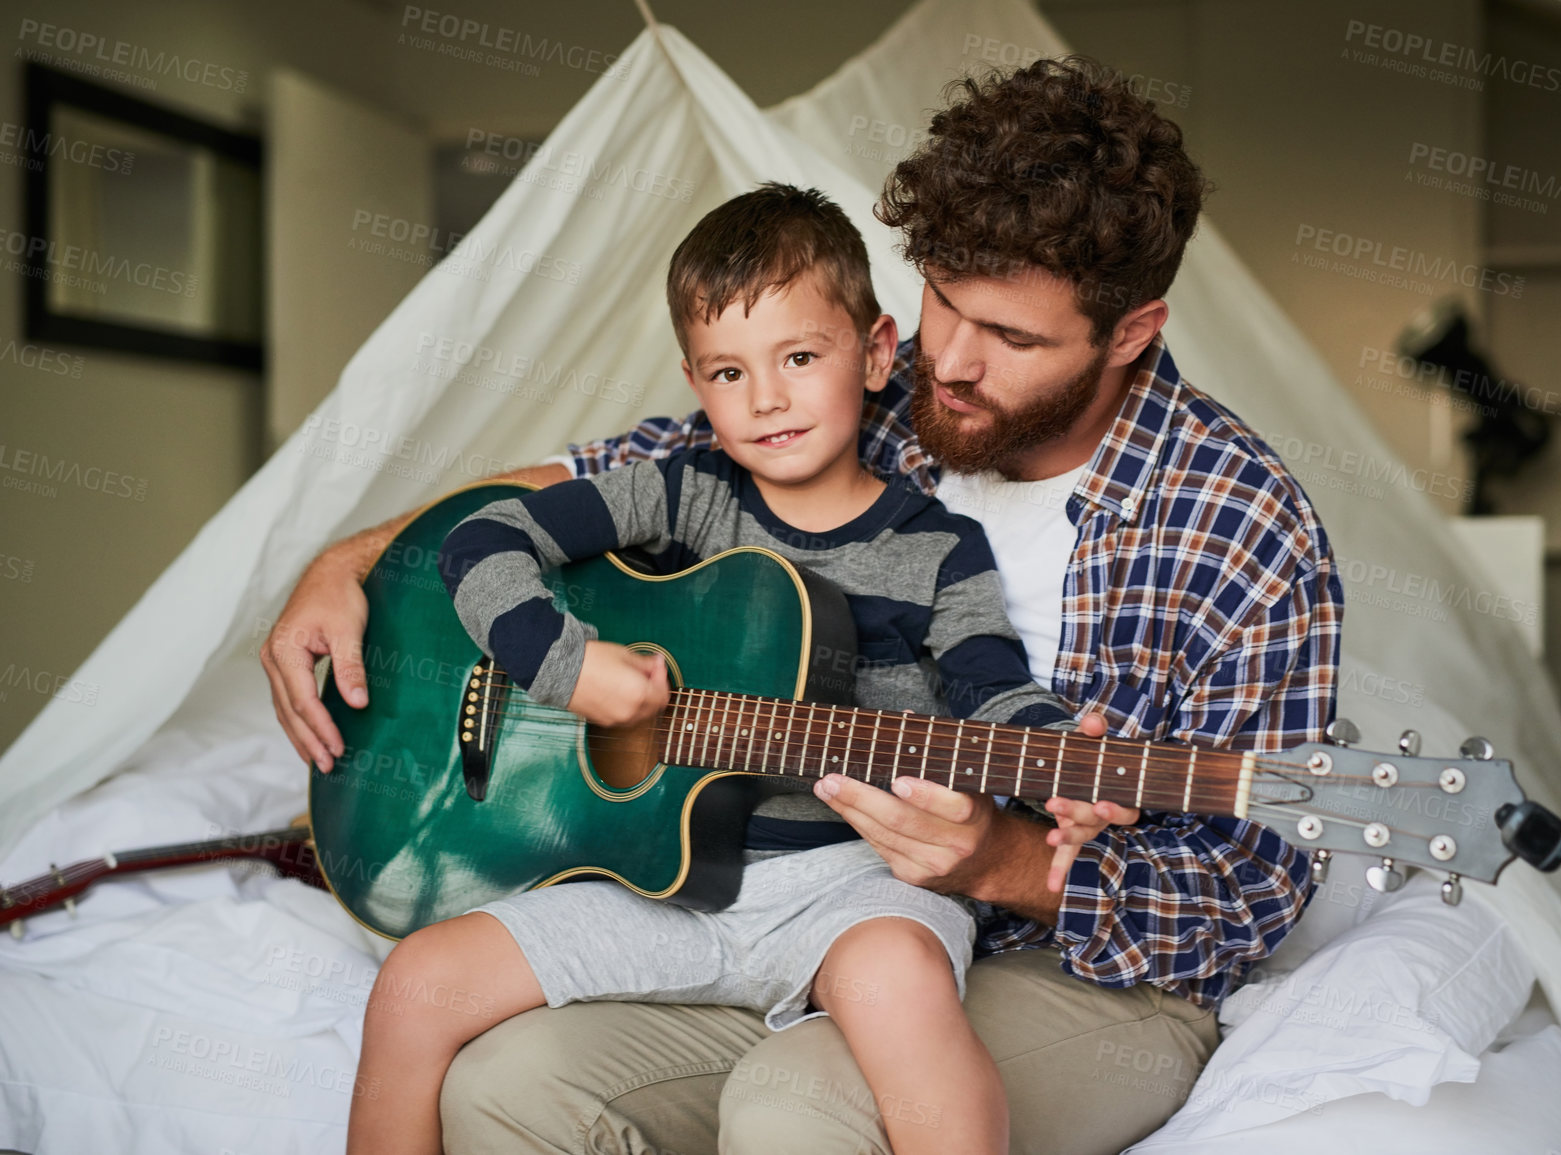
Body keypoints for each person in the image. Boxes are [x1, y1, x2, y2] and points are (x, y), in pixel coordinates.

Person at [265, 56, 1342, 1154]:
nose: (953, 364)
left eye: (1011, 338)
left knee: (800, 1106)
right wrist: (352, 563)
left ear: (1130, 331)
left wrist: (1011, 863)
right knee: (500, 1083)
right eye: (944, 305)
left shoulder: (1243, 528)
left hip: (1070, 966)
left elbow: (1247, 891)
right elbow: (579, 487)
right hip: (734, 880)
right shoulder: (854, 388)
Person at [344, 183, 1095, 1155]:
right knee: (416, 983)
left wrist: (1059, 756)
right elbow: (481, 539)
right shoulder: (683, 493)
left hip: (852, 889)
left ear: (873, 355)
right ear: (695, 383)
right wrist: (567, 668)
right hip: (663, 887)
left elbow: (993, 690)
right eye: (727, 372)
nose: (766, 398)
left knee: (900, 985)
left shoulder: (937, 548)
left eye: (798, 357)